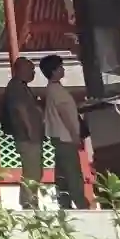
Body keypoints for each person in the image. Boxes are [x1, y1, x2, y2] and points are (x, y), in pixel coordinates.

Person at [39, 54, 89, 210]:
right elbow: (64, 113)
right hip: (65, 135)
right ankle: (81, 203)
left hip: (59, 136)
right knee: (72, 171)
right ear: (54, 71)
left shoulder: (53, 89)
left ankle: (64, 202)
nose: (63, 69)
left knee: (62, 173)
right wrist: (74, 134)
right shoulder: (56, 90)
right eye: (60, 67)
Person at [0, 56, 46, 208]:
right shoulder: (16, 87)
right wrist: (30, 129)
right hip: (27, 136)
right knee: (32, 172)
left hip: (29, 135)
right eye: (30, 69)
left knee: (34, 171)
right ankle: (29, 203)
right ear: (20, 70)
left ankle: (30, 201)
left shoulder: (21, 87)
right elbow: (21, 110)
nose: (33, 73)